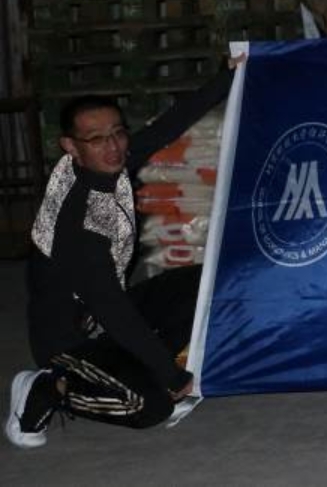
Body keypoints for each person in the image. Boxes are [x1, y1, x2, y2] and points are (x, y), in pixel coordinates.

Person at [7, 61, 240, 449]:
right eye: (97, 139)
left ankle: (145, 368)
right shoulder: (80, 218)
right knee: (149, 406)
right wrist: (172, 377)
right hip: (71, 342)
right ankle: (51, 386)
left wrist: (231, 75)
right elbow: (112, 308)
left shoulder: (102, 167)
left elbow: (165, 128)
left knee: (206, 282)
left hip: (103, 316)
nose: (113, 147)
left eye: (118, 133)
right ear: (70, 147)